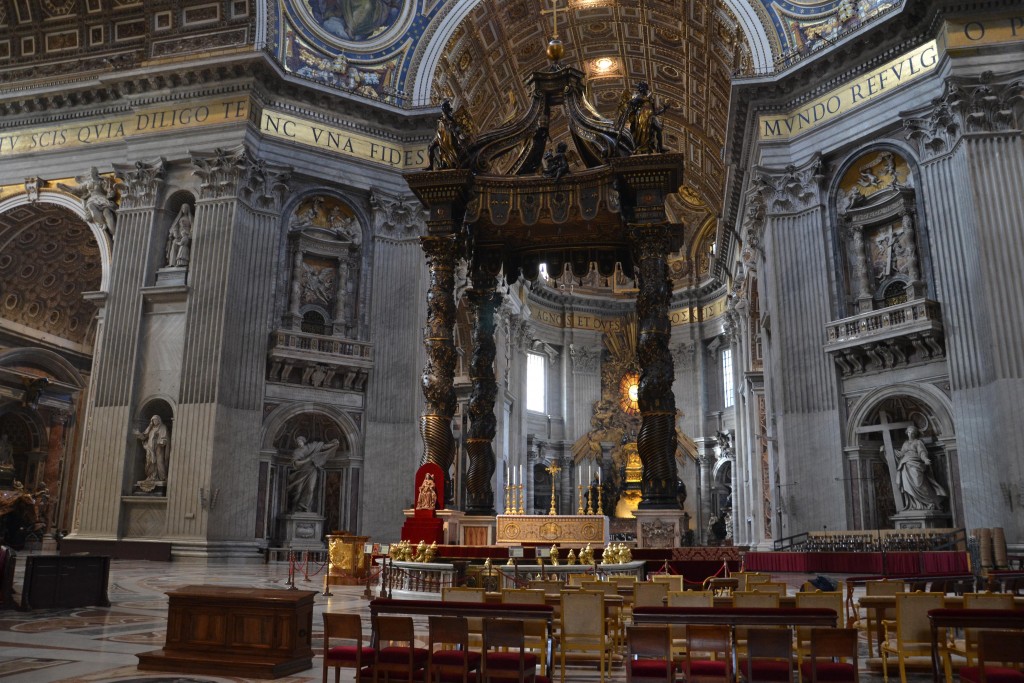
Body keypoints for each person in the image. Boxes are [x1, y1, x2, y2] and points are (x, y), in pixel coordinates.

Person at [895, 427, 946, 510]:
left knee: (918, 484)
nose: (910, 434)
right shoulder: (905, 443)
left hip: (915, 464)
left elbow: (922, 452)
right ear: (907, 433)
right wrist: (888, 450)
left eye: (912, 433)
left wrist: (925, 459)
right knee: (907, 485)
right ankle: (914, 504)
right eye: (909, 432)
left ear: (915, 434)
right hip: (905, 465)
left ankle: (929, 502)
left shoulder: (918, 442)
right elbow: (901, 454)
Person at [286, 435, 340, 513]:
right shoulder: (297, 452)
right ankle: (296, 508)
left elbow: (323, 447)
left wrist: (333, 444)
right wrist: (307, 460)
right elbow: (296, 463)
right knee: (298, 491)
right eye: (297, 442)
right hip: (301, 472)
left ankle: (304, 507)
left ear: (303, 441)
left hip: (312, 470)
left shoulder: (311, 446)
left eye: (300, 441)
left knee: (310, 489)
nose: (299, 443)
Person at [134, 415, 170, 483]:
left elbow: (164, 438)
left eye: (156, 420)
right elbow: (144, 436)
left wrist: (161, 441)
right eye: (153, 420)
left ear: (159, 420)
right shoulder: (150, 428)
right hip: (150, 448)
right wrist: (138, 434)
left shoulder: (162, 427)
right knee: (149, 461)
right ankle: (151, 476)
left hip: (159, 447)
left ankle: (162, 477)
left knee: (159, 461)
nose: (155, 421)